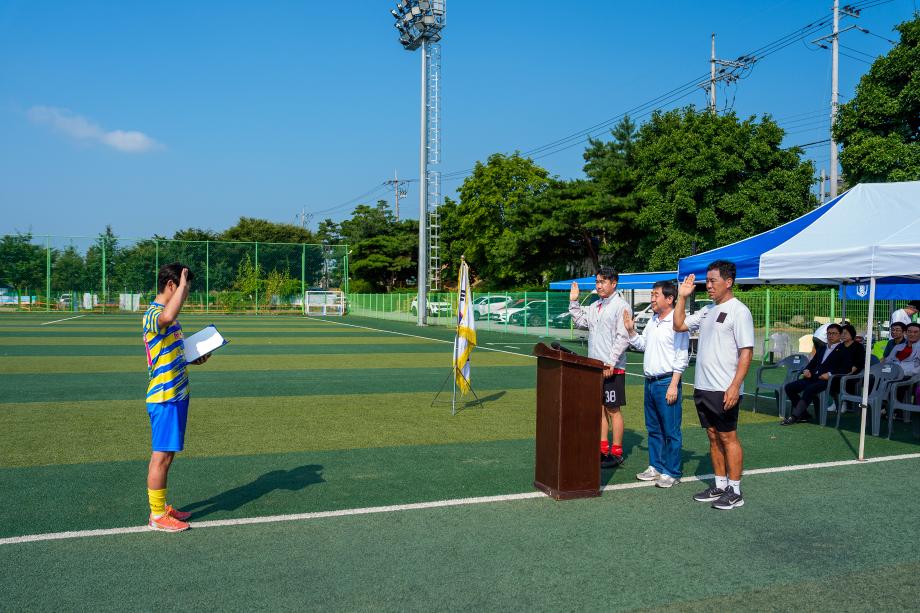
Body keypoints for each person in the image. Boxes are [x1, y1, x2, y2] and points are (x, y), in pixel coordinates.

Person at [673, 260, 753, 510]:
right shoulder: (707, 310)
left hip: (724, 388)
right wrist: (682, 297)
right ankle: (719, 485)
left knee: (728, 436)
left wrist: (735, 386)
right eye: (706, 281)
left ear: (728, 282)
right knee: (712, 435)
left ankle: (735, 490)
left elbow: (746, 352)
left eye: (712, 281)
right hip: (703, 386)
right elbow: (678, 325)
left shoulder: (739, 311)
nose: (708, 285)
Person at [143, 263, 209, 532]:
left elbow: (173, 353)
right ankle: (157, 515)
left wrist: (195, 358)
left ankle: (162, 506)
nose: (186, 293)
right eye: (184, 289)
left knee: (168, 455)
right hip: (164, 397)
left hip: (177, 395)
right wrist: (183, 284)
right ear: (171, 286)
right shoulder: (153, 314)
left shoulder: (170, 319)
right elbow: (168, 316)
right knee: (160, 456)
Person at [623, 281, 689, 488]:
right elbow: (643, 344)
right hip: (650, 382)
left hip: (667, 382)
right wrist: (631, 332)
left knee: (671, 430)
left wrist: (674, 384)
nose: (652, 298)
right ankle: (656, 467)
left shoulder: (677, 322)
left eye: (655, 295)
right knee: (653, 428)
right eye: (652, 294)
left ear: (669, 299)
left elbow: (682, 355)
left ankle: (672, 472)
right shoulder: (653, 320)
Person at [569, 267, 631, 468]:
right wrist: (574, 302)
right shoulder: (595, 305)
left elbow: (623, 338)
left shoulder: (621, 306)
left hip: (612, 367)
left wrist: (610, 362)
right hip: (594, 366)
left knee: (613, 409)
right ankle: (602, 448)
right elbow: (581, 322)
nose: (599, 285)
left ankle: (617, 451)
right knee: (599, 408)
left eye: (603, 282)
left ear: (614, 283)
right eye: (597, 282)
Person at [780, 324, 851, 425]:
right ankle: (804, 415)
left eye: (834, 333)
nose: (831, 336)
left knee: (810, 389)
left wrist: (829, 374)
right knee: (789, 387)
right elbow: (812, 363)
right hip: (813, 378)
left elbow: (846, 368)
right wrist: (807, 370)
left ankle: (794, 417)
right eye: (829, 333)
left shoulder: (844, 350)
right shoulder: (822, 348)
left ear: (840, 335)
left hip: (829, 381)